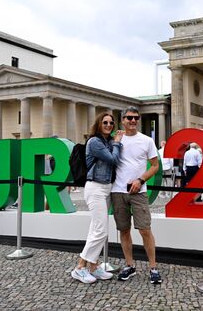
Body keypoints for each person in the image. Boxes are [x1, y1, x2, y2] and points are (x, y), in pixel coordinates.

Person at [111, 106, 162, 284]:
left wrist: (140, 180)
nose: (133, 121)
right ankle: (130, 265)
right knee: (124, 230)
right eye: (129, 118)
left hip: (138, 191)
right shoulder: (115, 139)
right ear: (122, 120)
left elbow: (154, 166)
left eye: (136, 118)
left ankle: (153, 267)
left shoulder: (147, 141)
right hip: (117, 191)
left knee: (144, 230)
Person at [71, 113, 124, 284]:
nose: (109, 125)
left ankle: (93, 266)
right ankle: (79, 268)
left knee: (95, 229)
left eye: (111, 122)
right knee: (101, 230)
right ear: (99, 124)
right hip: (95, 188)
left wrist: (114, 142)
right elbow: (114, 159)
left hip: (106, 188)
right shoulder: (95, 142)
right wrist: (117, 143)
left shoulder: (107, 142)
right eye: (105, 122)